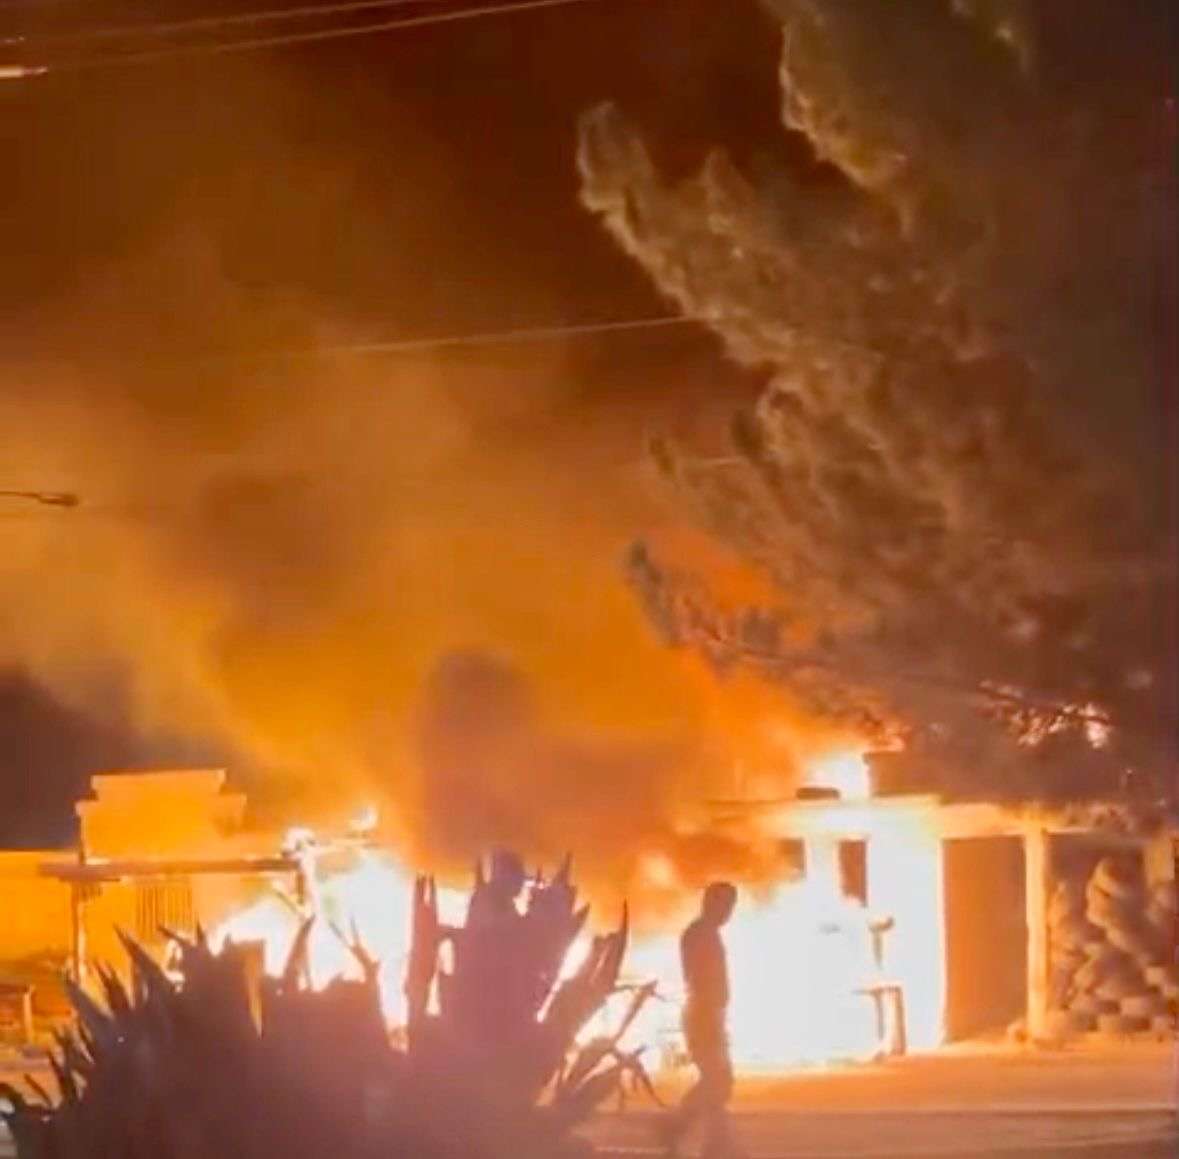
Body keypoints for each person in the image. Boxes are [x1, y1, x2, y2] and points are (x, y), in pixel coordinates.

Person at [661, 881, 743, 1158]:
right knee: (718, 1079)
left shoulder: (704, 933)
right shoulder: (700, 934)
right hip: (703, 1014)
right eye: (726, 906)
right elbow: (702, 977)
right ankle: (679, 1126)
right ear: (712, 903)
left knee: (718, 1081)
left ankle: (715, 1142)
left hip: (707, 1013)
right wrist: (712, 1010)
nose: (729, 913)